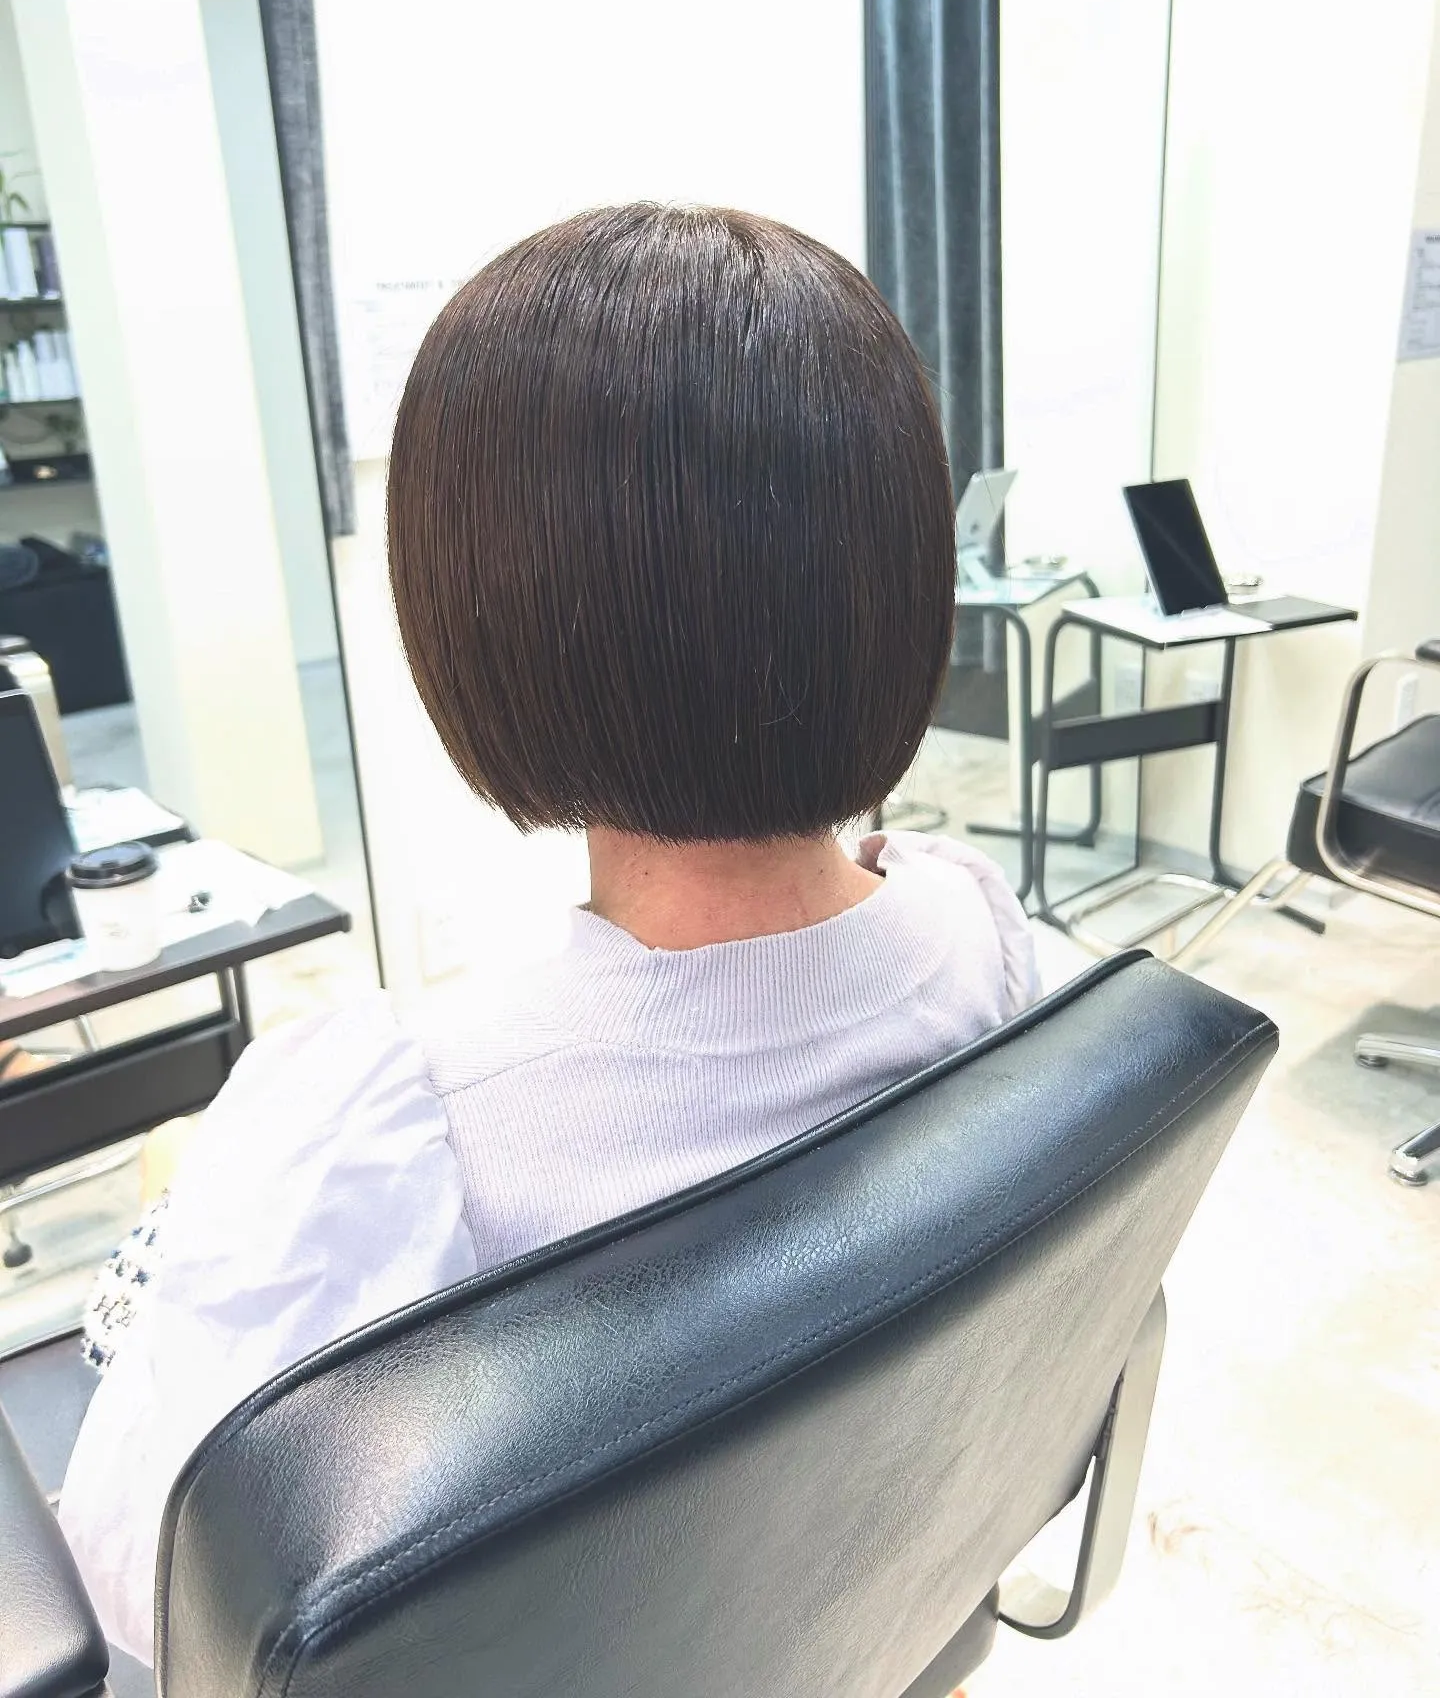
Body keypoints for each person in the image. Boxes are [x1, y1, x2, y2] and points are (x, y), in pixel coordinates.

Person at [59, 202, 1037, 1665]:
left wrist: (183, 1247)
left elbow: (155, 1584)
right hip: (880, 1630)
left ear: (489, 619)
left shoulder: (391, 1124)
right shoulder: (985, 933)